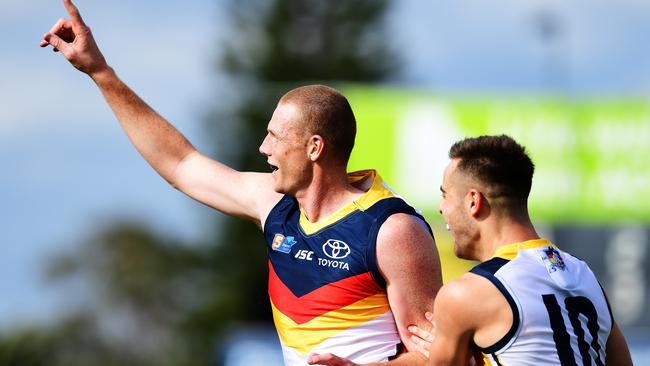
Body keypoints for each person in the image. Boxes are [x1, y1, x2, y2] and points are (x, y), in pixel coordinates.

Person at [40, 1, 442, 365]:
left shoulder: (392, 230)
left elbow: (440, 355)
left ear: (314, 147)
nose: (264, 147)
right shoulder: (273, 205)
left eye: (276, 137)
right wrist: (100, 72)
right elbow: (181, 165)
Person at [402, 135, 633, 365]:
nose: (440, 208)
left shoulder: (466, 294)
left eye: (445, 195)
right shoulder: (586, 277)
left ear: (473, 201)